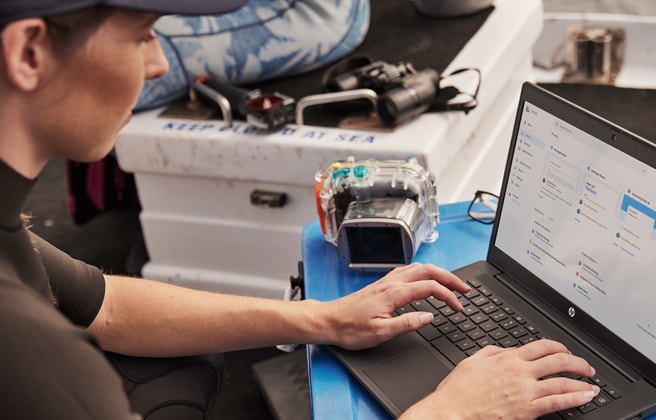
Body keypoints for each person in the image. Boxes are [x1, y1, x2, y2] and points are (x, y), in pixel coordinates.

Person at [0, 0, 600, 418]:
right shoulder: (30, 349)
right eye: (141, 35)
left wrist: (324, 318)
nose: (158, 64)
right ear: (28, 51)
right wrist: (456, 411)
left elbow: (103, 304)